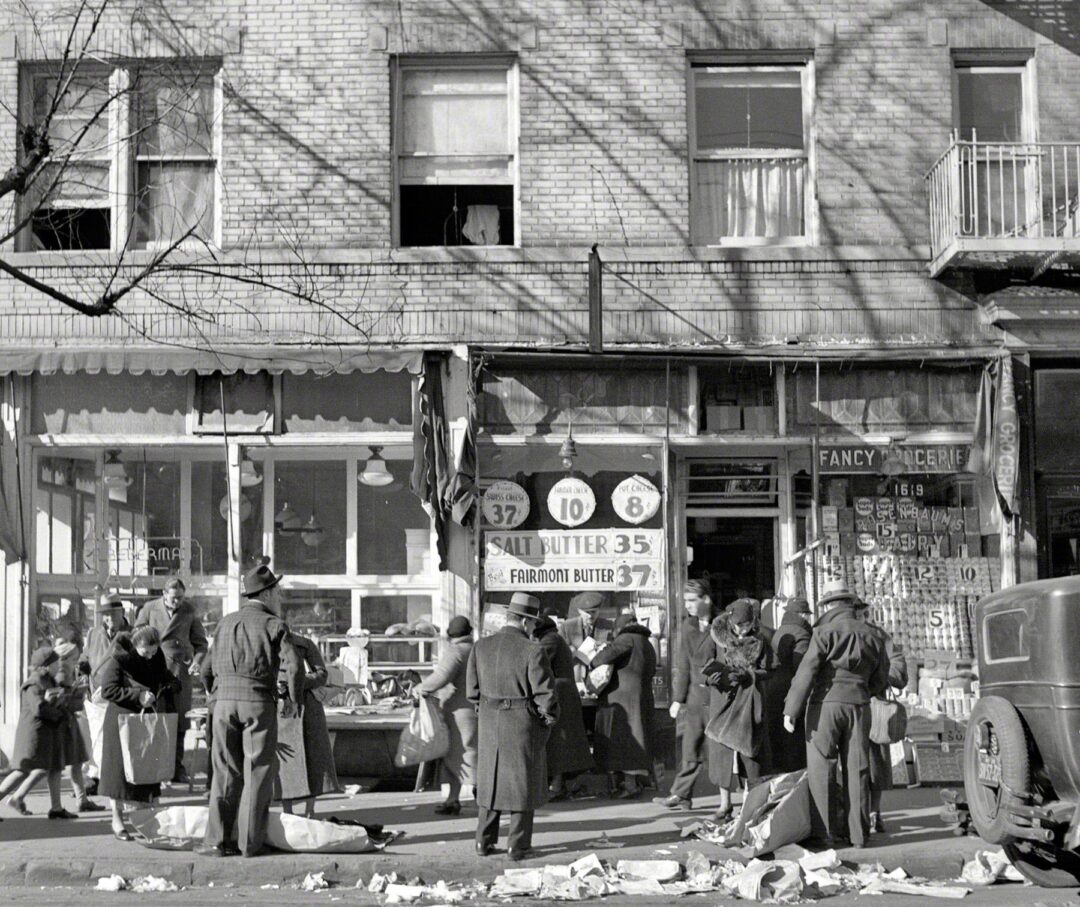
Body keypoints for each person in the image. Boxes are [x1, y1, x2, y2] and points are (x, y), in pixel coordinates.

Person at [198, 562, 302, 858]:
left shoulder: (225, 622)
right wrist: (293, 701)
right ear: (267, 594)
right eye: (277, 592)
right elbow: (294, 666)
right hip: (258, 701)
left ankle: (217, 841)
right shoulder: (274, 625)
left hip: (222, 703)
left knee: (225, 771)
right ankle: (249, 844)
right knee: (258, 771)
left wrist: (214, 694)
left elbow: (206, 668)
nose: (279, 597)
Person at [783, 580, 888, 849]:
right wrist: (863, 690)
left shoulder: (823, 632)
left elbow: (807, 672)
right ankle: (859, 835)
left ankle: (825, 834)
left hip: (825, 706)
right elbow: (882, 677)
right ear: (851, 605)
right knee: (858, 769)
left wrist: (791, 710)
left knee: (822, 769)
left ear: (830, 605)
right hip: (859, 705)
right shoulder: (874, 634)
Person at [467, 592, 559, 861]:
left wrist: (486, 711)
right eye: (533, 624)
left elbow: (472, 692)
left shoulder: (480, 646)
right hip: (521, 722)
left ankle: (483, 842)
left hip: (488, 720)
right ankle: (517, 846)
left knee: (490, 781)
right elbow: (546, 695)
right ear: (526, 622)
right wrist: (547, 719)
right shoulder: (533, 650)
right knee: (522, 783)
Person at [95, 626, 182, 840]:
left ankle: (146, 821)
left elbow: (162, 675)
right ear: (135, 647)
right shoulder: (120, 659)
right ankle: (117, 820)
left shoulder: (156, 656)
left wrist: (171, 683)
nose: (151, 656)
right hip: (121, 722)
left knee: (146, 770)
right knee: (119, 776)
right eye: (146, 652)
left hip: (146, 721)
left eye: (154, 651)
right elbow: (108, 689)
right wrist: (138, 695)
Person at [654, 578, 723, 813]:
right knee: (689, 746)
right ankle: (681, 795)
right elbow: (683, 664)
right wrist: (677, 698)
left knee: (720, 749)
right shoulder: (687, 626)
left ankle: (737, 796)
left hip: (717, 695)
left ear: (707, 599)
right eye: (685, 601)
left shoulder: (722, 623)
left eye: (692, 600)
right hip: (694, 696)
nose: (688, 606)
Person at [704, 599, 774, 819]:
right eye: (737, 626)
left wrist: (749, 675)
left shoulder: (762, 641)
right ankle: (724, 804)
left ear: (752, 622)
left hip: (748, 700)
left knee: (750, 753)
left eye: (745, 625)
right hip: (722, 698)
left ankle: (749, 804)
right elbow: (704, 666)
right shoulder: (717, 638)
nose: (741, 630)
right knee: (721, 753)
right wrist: (711, 680)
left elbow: (770, 670)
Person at [136, 577, 209, 784]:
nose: (178, 602)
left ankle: (177, 767)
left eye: (181, 598)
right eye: (174, 598)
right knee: (155, 720)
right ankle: (156, 769)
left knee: (178, 723)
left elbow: (201, 644)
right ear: (164, 594)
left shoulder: (189, 611)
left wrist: (196, 662)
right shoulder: (149, 609)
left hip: (178, 673)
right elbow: (136, 635)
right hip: (153, 671)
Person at [589, 611, 656, 800]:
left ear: (619, 628)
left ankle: (629, 785)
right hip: (640, 700)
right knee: (635, 740)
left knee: (624, 743)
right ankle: (632, 782)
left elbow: (598, 660)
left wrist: (602, 648)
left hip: (622, 701)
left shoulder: (626, 639)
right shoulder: (647, 642)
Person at [855, 599, 908, 833]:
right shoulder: (837, 632)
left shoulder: (879, 636)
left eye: (860, 613)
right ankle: (855, 815)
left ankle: (874, 812)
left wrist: (882, 676)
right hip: (848, 707)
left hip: (875, 708)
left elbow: (898, 666)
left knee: (875, 764)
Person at [414, 615, 477, 815]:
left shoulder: (456, 651)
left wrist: (420, 688)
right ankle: (468, 798)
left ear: (450, 635)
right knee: (473, 753)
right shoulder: (477, 649)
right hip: (477, 708)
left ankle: (457, 799)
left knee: (457, 756)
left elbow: (441, 677)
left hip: (459, 711)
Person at [0, 646, 71, 819]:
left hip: (45, 731)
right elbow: (39, 707)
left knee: (46, 768)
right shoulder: (34, 683)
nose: (58, 666)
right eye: (55, 663)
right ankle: (16, 798)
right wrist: (57, 710)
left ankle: (55, 808)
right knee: (26, 769)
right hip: (33, 733)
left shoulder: (49, 681)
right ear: (45, 666)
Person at [276, 633, 341, 818]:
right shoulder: (264, 642)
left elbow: (322, 674)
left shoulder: (304, 644)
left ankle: (310, 810)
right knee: (284, 761)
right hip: (280, 707)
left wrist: (293, 682)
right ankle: (287, 811)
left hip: (308, 706)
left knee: (314, 757)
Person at [532, 611, 593, 800]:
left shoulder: (549, 640)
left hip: (559, 696)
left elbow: (537, 664)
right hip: (564, 694)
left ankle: (556, 786)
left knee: (559, 740)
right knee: (562, 740)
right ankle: (561, 784)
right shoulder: (555, 638)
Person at [52, 626, 105, 813]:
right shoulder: (59, 672)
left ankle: (81, 800)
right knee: (40, 770)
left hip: (68, 720)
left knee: (75, 762)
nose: (78, 659)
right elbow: (53, 699)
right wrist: (72, 695)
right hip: (61, 723)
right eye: (75, 656)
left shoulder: (68, 670)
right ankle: (16, 797)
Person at [765, 597, 812, 773]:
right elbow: (803, 669)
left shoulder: (779, 631)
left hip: (774, 689)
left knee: (781, 742)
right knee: (795, 744)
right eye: (806, 614)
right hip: (792, 692)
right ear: (802, 615)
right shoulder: (803, 634)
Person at [558, 591, 606, 686]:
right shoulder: (567, 626)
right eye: (587, 612)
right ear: (579, 611)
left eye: (594, 612)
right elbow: (558, 650)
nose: (590, 615)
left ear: (599, 610)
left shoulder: (607, 626)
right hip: (574, 676)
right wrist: (569, 650)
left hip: (600, 678)